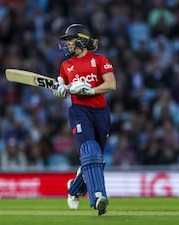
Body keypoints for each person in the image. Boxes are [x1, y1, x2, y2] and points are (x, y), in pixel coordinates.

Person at [53, 24, 116, 215]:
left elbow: (111, 85)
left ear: (81, 40)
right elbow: (62, 87)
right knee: (90, 150)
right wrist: (60, 89)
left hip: (101, 112)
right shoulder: (66, 65)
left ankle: (74, 188)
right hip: (79, 110)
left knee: (95, 158)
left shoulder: (99, 60)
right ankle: (98, 197)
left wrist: (91, 90)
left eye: (70, 40)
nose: (67, 45)